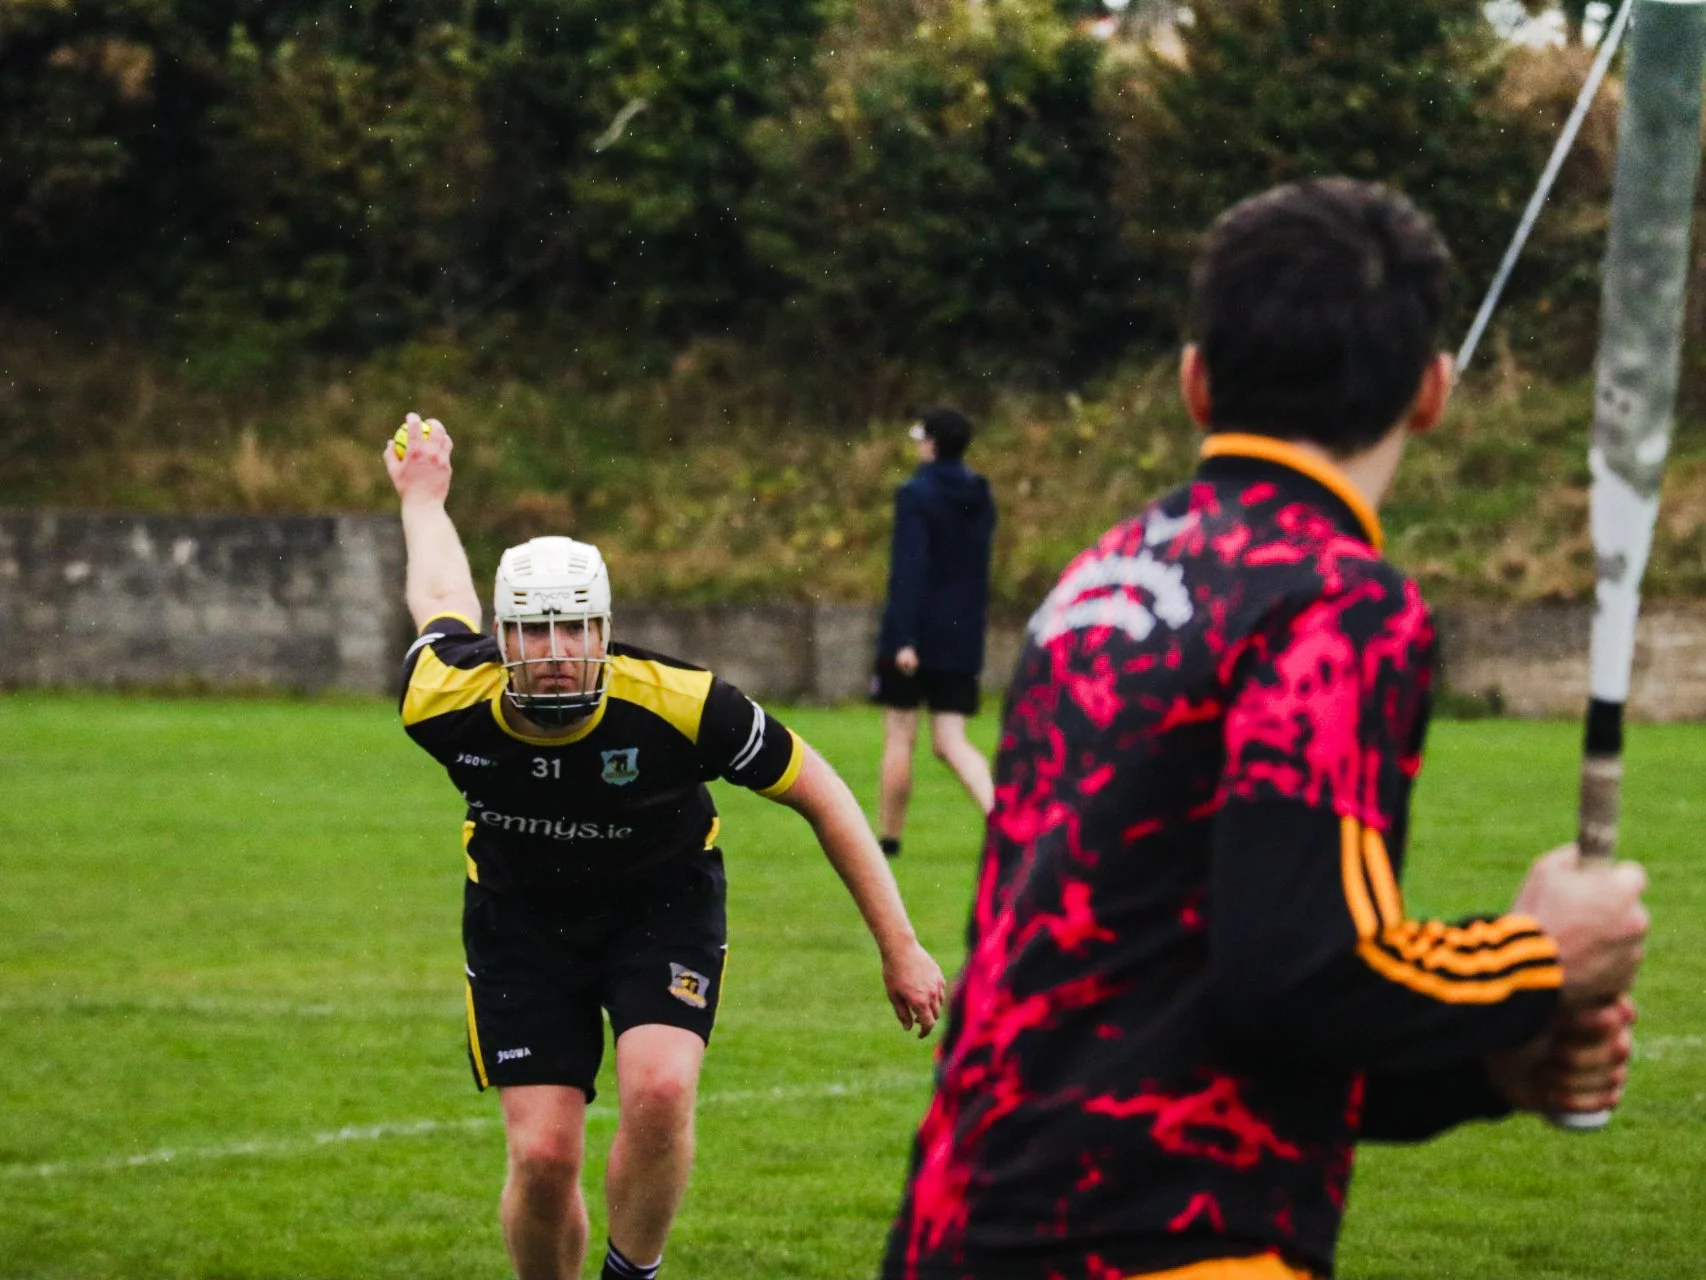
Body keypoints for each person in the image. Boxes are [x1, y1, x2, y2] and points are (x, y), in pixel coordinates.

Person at [880, 178, 1648, 1280]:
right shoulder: (1335, 600)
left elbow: (1180, 1007)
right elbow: (1299, 975)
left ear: (1194, 381)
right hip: (1162, 1243)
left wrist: (1488, 1071)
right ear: (1430, 393)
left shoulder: (1098, 579)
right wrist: (1535, 954)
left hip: (952, 1233)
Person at [381, 413, 947, 1280]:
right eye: (534, 631)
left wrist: (899, 944)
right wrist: (424, 495)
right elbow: (438, 596)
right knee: (541, 1160)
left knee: (661, 1087)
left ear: (606, 631)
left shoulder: (682, 704)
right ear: (502, 639)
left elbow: (824, 795)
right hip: (521, 923)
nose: (559, 652)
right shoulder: (442, 701)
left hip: (662, 908)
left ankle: (629, 1275)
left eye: (577, 629)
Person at [872, 406, 999, 858]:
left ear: (931, 444)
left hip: (916, 633)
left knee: (900, 736)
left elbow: (911, 569)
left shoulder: (915, 494)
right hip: (961, 634)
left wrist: (904, 638)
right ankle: (999, 818)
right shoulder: (981, 495)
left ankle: (888, 839)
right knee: (952, 741)